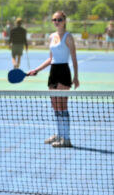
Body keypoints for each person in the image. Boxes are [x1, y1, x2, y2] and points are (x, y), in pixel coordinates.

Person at [29, 11, 79, 148]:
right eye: (54, 20)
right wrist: (36, 70)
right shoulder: (51, 36)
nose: (57, 22)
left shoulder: (68, 37)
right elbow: (51, 58)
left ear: (64, 21)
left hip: (64, 71)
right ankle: (60, 134)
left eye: (59, 19)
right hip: (53, 71)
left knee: (62, 105)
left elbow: (74, 57)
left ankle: (66, 139)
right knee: (55, 105)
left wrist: (76, 77)